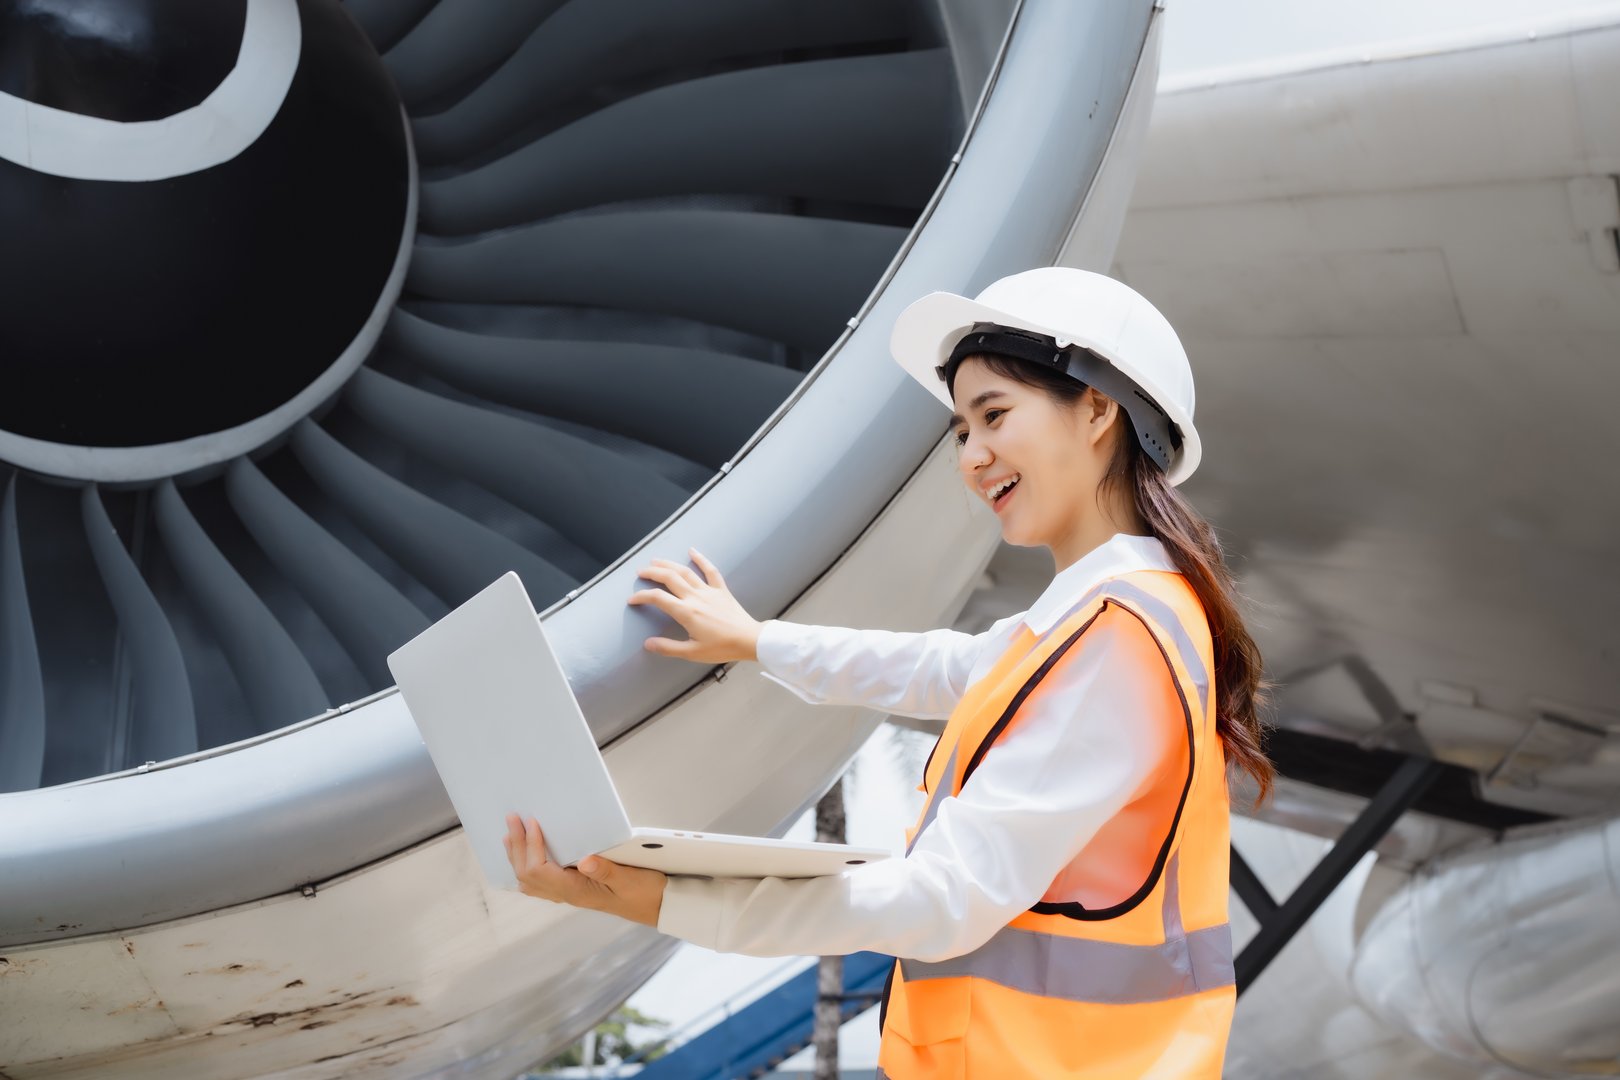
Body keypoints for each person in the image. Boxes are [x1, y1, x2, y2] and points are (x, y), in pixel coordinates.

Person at [503, 268, 1272, 1078]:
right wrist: (756, 642)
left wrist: (662, 897)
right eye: (960, 433)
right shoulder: (1096, 619)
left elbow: (945, 898)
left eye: (994, 416)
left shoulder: (1120, 636)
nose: (972, 458)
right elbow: (940, 668)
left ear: (1097, 408)